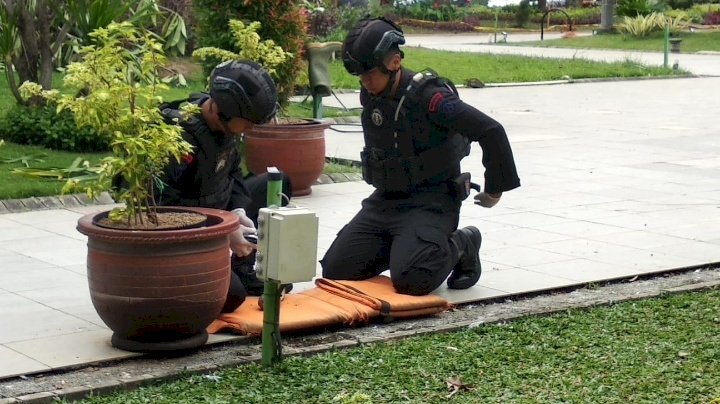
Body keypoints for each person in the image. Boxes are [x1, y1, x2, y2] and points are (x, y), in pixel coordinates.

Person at [320, 17, 521, 295]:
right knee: (337, 271)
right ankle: (406, 246)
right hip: (386, 201)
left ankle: (463, 244)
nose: (365, 82)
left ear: (394, 63)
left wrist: (495, 189)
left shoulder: (432, 99)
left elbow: (491, 130)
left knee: (413, 280)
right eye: (360, 76)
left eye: (369, 74)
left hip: (431, 201)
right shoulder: (374, 95)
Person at [155, 60, 292, 313]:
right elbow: (164, 212)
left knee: (278, 182)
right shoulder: (177, 139)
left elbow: (234, 173)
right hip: (187, 236)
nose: (250, 129)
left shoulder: (227, 129)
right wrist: (222, 231)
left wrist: (238, 211)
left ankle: (243, 261)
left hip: (218, 213)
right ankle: (230, 265)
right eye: (247, 122)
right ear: (220, 111)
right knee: (232, 296)